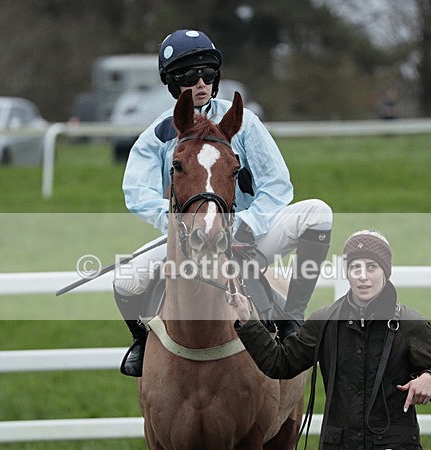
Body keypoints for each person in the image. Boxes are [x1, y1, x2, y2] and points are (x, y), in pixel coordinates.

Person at [113, 29, 333, 377]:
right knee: (125, 281)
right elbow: (135, 192)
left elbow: (277, 185)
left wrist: (245, 225)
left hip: (247, 236)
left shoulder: (244, 123)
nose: (200, 82)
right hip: (189, 240)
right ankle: (142, 341)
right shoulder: (157, 135)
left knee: (318, 213)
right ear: (171, 83)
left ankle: (292, 317)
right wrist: (180, 225)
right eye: (189, 76)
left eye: (208, 74)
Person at [229, 229, 431, 450]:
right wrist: (249, 323)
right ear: (346, 273)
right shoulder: (324, 321)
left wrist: (430, 379)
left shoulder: (411, 325)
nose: (363, 276)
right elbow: (280, 363)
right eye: (355, 268)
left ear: (385, 272)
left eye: (371, 268)